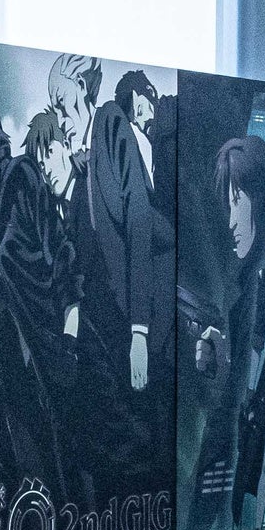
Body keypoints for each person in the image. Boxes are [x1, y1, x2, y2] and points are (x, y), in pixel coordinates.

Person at [86, 69, 171, 397]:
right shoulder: (153, 140)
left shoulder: (168, 121)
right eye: (137, 118)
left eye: (140, 111)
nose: (142, 121)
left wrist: (139, 330)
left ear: (144, 94)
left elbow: (144, 217)